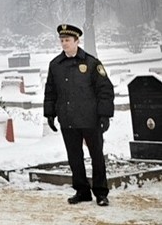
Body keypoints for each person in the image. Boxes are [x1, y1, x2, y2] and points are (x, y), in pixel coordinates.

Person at [43, 24, 114, 207]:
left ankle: (100, 192)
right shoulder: (55, 65)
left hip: (90, 119)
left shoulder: (91, 63)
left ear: (77, 41)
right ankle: (82, 191)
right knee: (74, 157)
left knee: (96, 157)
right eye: (62, 40)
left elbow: (105, 90)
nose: (64, 44)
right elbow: (50, 91)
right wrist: (50, 113)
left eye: (67, 40)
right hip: (68, 119)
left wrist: (104, 115)